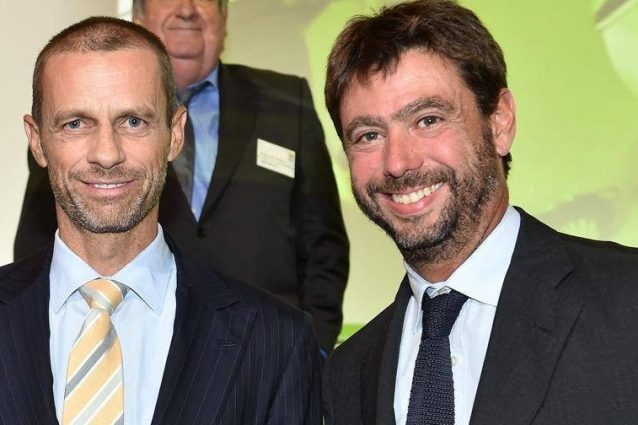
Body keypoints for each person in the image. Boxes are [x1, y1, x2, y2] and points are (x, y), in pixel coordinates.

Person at [321, 1, 638, 424]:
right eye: (369, 135)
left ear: (499, 123)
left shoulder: (626, 302)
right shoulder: (348, 374)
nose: (397, 162)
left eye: (428, 119)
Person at [0, 17, 321, 424]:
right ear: (37, 141)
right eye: (76, 124)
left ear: (175, 134)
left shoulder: (275, 341)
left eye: (133, 121)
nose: (106, 153)